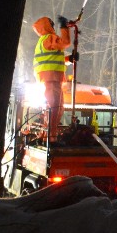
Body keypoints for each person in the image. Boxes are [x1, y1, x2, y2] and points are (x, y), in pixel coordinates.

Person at [32, 15, 73, 143]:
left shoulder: (43, 41)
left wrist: (68, 59)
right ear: (47, 26)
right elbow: (66, 42)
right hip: (51, 78)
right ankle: (51, 137)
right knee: (54, 107)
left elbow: (52, 59)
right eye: (52, 24)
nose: (53, 27)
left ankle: (48, 135)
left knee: (57, 107)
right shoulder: (49, 38)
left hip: (50, 78)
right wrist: (64, 27)